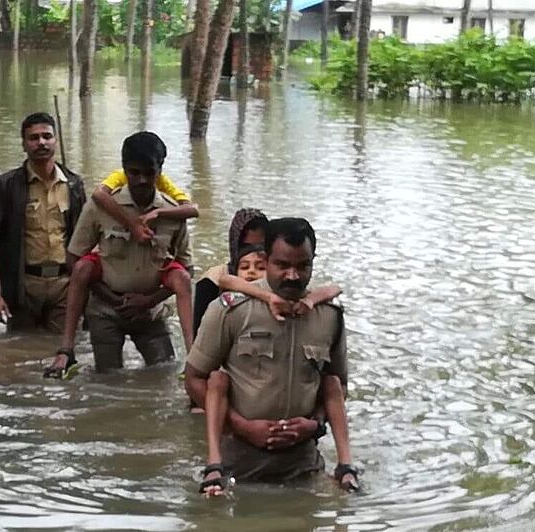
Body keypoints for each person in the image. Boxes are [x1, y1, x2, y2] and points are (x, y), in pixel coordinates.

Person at [185, 218, 358, 493]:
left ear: (313, 261)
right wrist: (243, 427)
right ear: (266, 261)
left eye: (303, 266)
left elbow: (338, 386)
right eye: (283, 265)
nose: (293, 276)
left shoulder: (328, 316)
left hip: (304, 467)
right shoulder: (230, 310)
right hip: (237, 470)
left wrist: (314, 424)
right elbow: (194, 379)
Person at [44, 133, 196, 378]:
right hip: (105, 311)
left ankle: (194, 361)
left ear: (160, 170)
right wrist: (114, 300)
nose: (142, 180)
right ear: (124, 170)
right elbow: (73, 260)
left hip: (150, 313)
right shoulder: (100, 207)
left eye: (149, 172)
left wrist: (148, 301)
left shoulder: (172, 212)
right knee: (108, 382)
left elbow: (187, 271)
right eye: (134, 173)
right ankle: (66, 350)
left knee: (164, 375)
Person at [0, 112, 86, 332]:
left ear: (55, 140)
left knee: (62, 347)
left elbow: (86, 238)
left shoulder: (73, 185)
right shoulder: (6, 185)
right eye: (34, 138)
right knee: (22, 348)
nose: (41, 142)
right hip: (23, 285)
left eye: (47, 136)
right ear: (24, 144)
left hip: (64, 284)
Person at [192, 208, 268, 337]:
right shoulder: (212, 281)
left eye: (261, 246)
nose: (253, 252)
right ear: (235, 245)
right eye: (246, 247)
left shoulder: (276, 277)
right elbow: (199, 334)